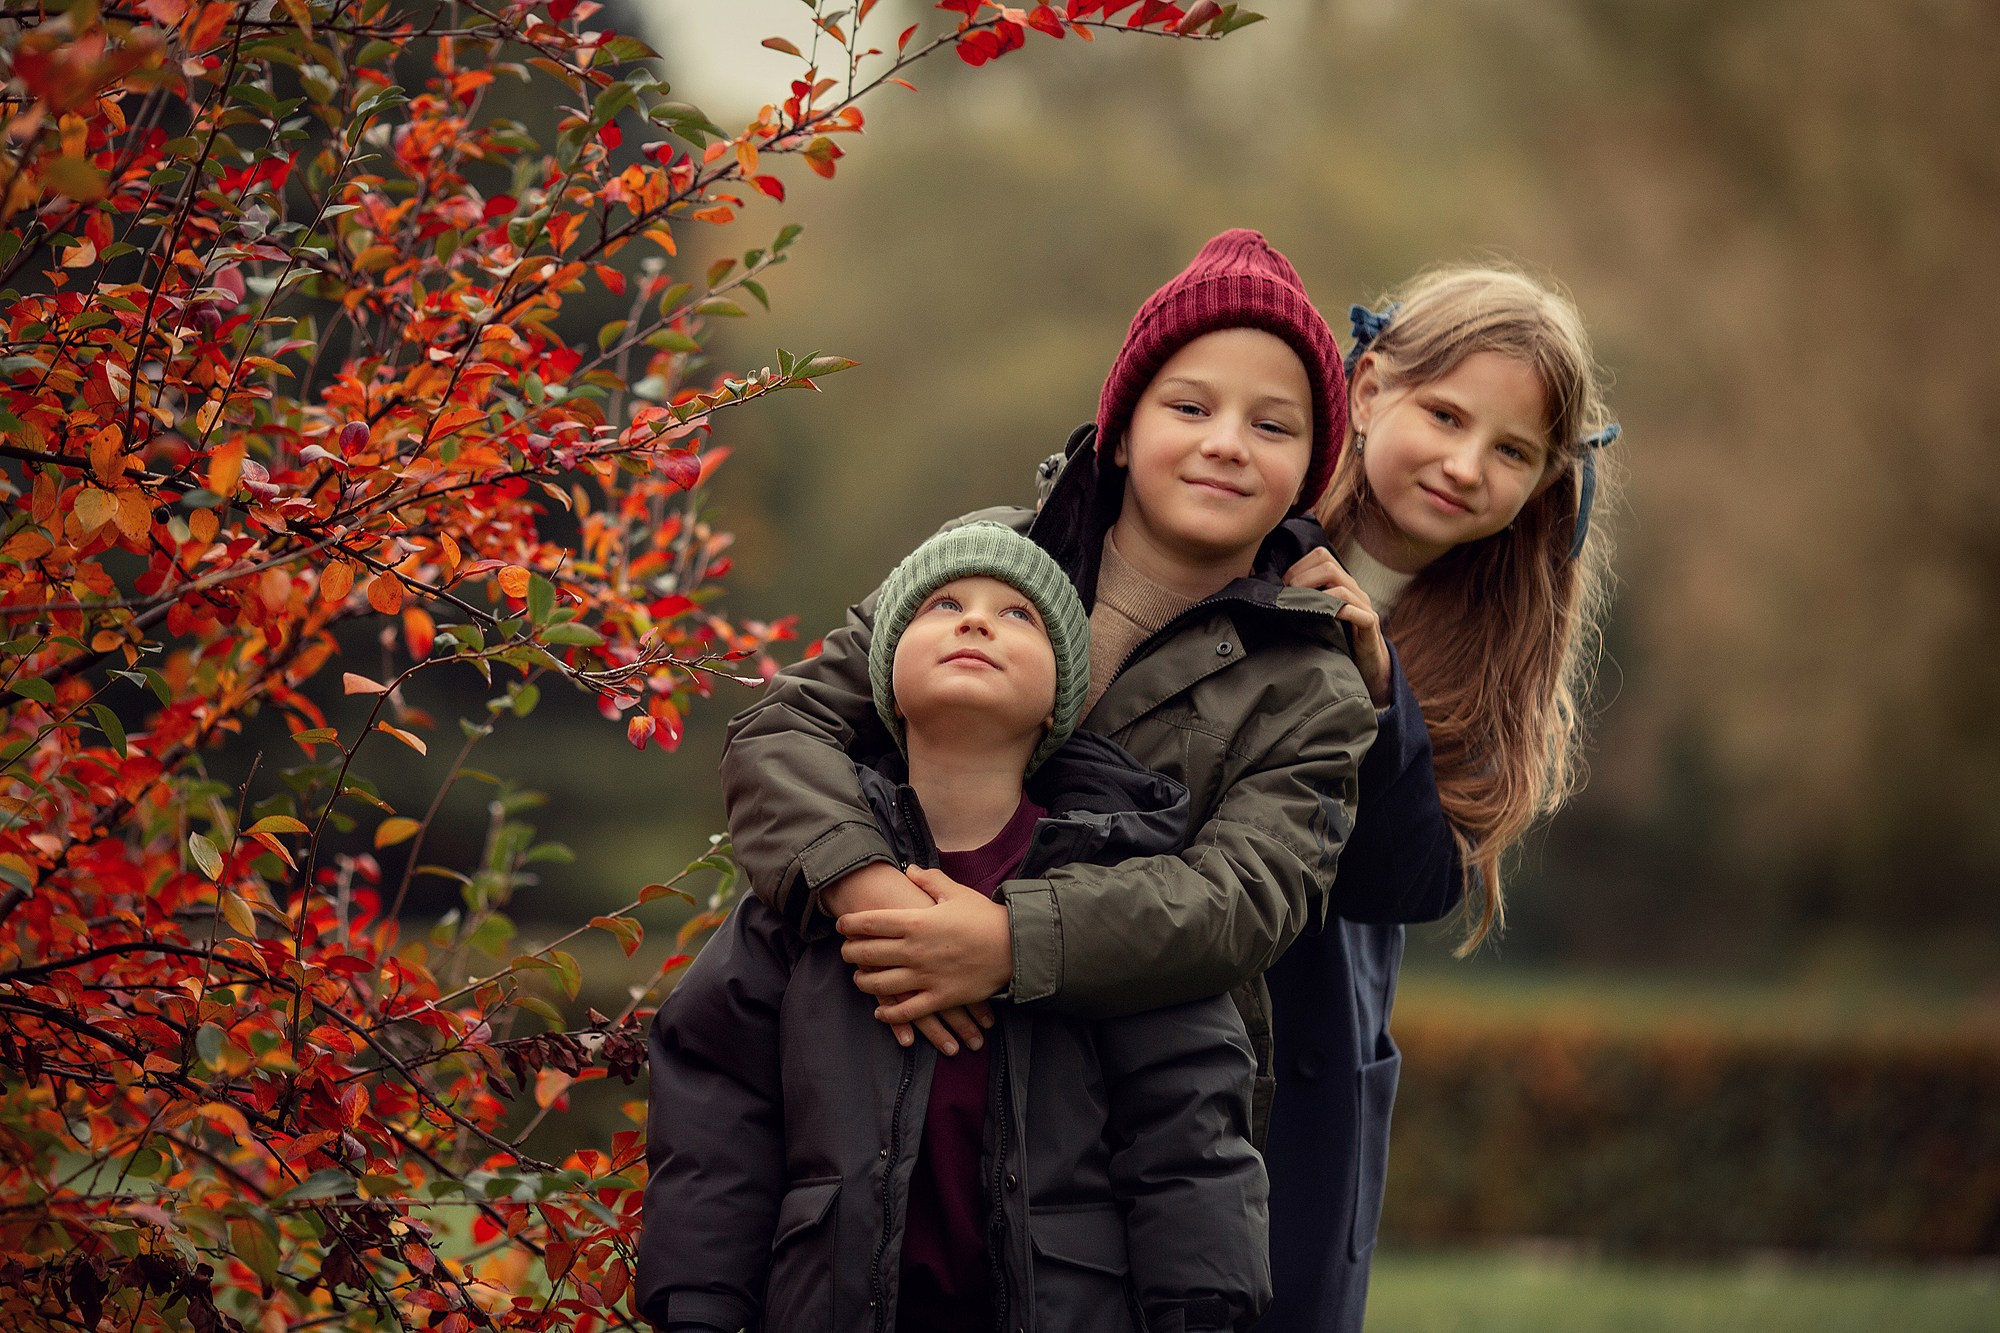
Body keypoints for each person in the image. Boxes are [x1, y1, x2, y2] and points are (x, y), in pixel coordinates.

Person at [716, 230, 1415, 1154]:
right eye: (1191, 405)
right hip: (874, 1066)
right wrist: (871, 893)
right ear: (1122, 429)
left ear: (1307, 473)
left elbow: (1246, 895)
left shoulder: (1311, 679)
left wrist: (1009, 943)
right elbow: (779, 728)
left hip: (1112, 1133)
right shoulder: (980, 562)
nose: (1226, 443)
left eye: (1272, 425)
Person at [638, 523, 1271, 1333]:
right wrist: (700, 1303)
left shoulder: (1112, 885)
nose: (975, 620)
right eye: (943, 603)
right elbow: (717, 1098)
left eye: (1019, 616)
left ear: (1060, 705)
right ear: (887, 681)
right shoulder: (812, 887)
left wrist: (1198, 1309)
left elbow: (1188, 1120)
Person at [1260, 265, 1622, 1332]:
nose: (1466, 466)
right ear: (1367, 389)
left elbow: (1404, 877)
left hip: (1306, 1089)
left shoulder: (1490, 652)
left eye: (1510, 451)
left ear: (1545, 478)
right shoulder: (1242, 524)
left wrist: (1378, 688)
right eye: (1444, 414)